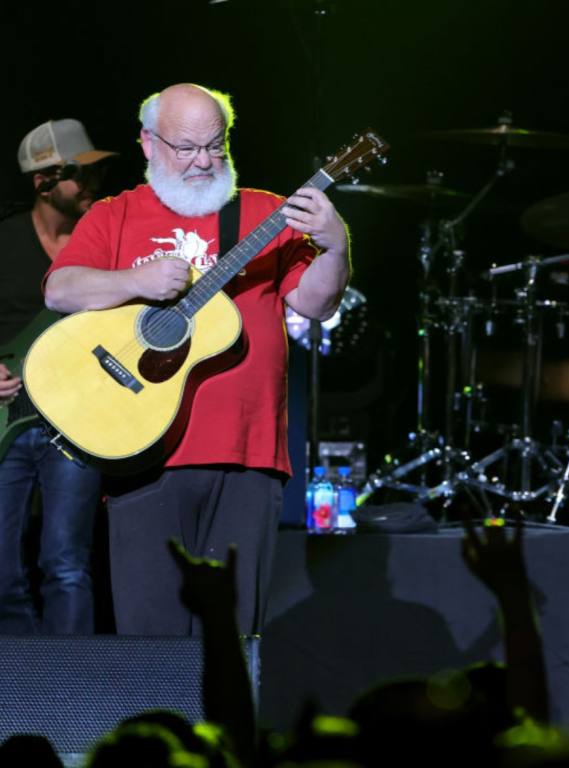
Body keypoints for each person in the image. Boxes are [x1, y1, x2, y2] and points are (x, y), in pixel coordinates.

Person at [43, 83, 351, 636]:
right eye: (186, 147)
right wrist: (136, 280)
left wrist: (335, 246)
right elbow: (60, 290)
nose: (204, 161)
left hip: (248, 452)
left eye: (217, 145)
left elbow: (316, 302)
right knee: (150, 640)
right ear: (148, 143)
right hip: (143, 449)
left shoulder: (265, 213)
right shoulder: (116, 214)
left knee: (232, 639)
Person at [0, 119, 114, 633]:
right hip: (8, 419)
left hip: (76, 418)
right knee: (2, 573)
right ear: (43, 181)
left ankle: (72, 692)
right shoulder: (4, 239)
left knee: (66, 567)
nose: (92, 184)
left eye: (97, 172)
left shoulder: (106, 238)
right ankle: (23, 688)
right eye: (79, 174)